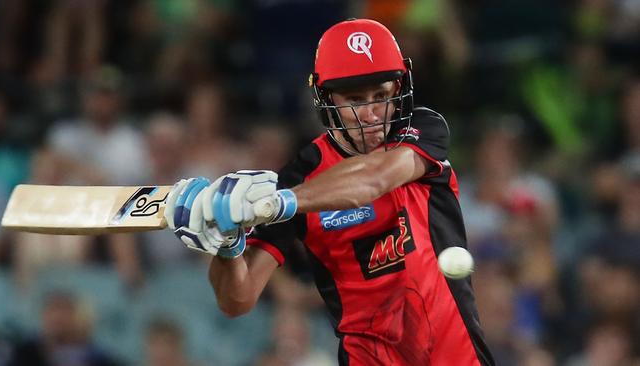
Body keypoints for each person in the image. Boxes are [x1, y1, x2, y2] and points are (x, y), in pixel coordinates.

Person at [164, 19, 495, 365]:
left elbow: (374, 179)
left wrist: (279, 202)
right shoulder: (299, 175)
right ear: (325, 99)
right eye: (354, 99)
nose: (371, 114)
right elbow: (238, 300)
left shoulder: (423, 129)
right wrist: (228, 244)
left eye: (381, 96)